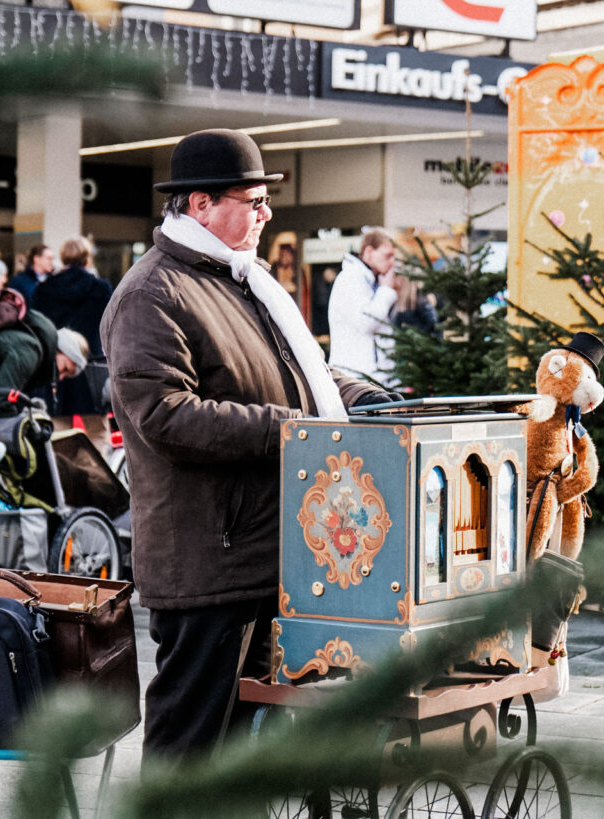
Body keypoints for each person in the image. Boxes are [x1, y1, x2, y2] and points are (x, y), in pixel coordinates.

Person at [100, 128, 398, 762]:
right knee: (191, 743)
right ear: (201, 204)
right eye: (253, 199)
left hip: (269, 554)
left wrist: (363, 396)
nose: (266, 214)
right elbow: (165, 416)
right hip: (210, 563)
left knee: (241, 751)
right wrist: (290, 428)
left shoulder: (240, 279)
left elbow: (297, 371)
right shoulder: (152, 294)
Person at [32, 236, 113, 414]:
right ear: (87, 258)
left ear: (62, 258)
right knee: (95, 431)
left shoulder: (44, 289)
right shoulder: (101, 288)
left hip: (56, 365)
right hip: (90, 363)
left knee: (55, 425)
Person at [327, 228, 402, 384]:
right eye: (387, 255)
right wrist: (386, 291)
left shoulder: (369, 281)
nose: (392, 262)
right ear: (369, 252)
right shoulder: (351, 279)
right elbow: (366, 322)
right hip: (357, 378)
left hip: (370, 378)